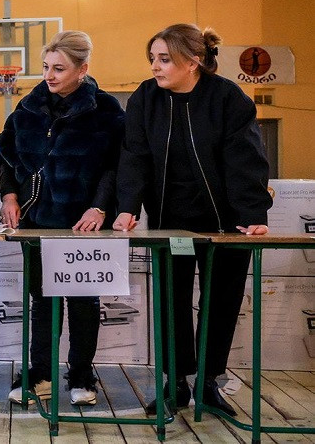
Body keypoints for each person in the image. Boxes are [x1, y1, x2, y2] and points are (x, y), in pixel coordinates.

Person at [113, 23, 272, 416]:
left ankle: (208, 382)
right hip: (170, 221)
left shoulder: (228, 98)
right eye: (153, 58)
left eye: (164, 59)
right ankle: (176, 383)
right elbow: (134, 157)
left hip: (225, 223)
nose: (155, 66)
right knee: (171, 301)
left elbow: (246, 159)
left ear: (194, 61)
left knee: (221, 302)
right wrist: (128, 206)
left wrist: (253, 214)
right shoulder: (145, 98)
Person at [0, 31, 125, 406]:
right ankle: (40, 374)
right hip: (37, 222)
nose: (49, 76)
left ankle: (81, 376)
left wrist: (99, 207)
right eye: (45, 67)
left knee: (83, 302)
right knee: (42, 301)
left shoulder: (107, 110)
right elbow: (6, 160)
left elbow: (117, 167)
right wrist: (9, 195)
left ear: (82, 69)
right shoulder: (26, 109)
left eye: (59, 68)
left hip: (84, 225)